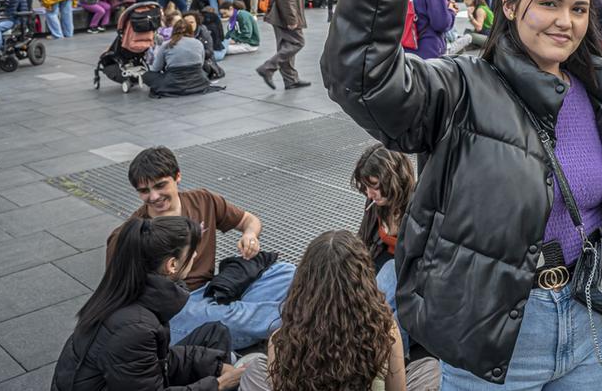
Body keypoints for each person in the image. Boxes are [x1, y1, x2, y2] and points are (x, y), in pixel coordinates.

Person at [322, 0, 602, 388]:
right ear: (509, 4)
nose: (564, 21)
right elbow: (362, 80)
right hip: (497, 332)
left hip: (593, 321)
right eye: (548, 3)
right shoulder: (460, 86)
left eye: (579, 9)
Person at [106, 147, 296, 351]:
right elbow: (122, 292)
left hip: (213, 289)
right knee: (225, 316)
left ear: (177, 176)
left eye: (160, 186)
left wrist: (249, 235)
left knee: (286, 272)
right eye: (144, 191)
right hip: (175, 307)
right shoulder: (129, 234)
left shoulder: (202, 200)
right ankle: (301, 317)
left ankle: (255, 320)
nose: (154, 196)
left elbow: (250, 220)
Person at [53, 216, 243, 391]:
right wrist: (218, 385)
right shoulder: (134, 328)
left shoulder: (129, 289)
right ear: (172, 265)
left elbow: (160, 361)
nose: (194, 256)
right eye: (192, 252)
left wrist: (215, 365)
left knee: (216, 333)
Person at [237, 231, 420, 391]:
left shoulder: (281, 340)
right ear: (364, 285)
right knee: (428, 368)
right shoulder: (385, 330)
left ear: (303, 284)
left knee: (254, 367)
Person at [353, 144, 418, 320]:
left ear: (393, 180)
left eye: (374, 186)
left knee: (382, 313)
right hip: (381, 259)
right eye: (366, 187)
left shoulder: (418, 207)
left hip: (410, 270)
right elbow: (363, 240)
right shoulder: (376, 204)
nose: (369, 194)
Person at [144, 18, 220, 98]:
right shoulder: (198, 43)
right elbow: (200, 64)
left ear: (174, 30)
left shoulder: (166, 44)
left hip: (174, 82)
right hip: (198, 81)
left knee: (147, 76)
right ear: (190, 30)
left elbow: (156, 68)